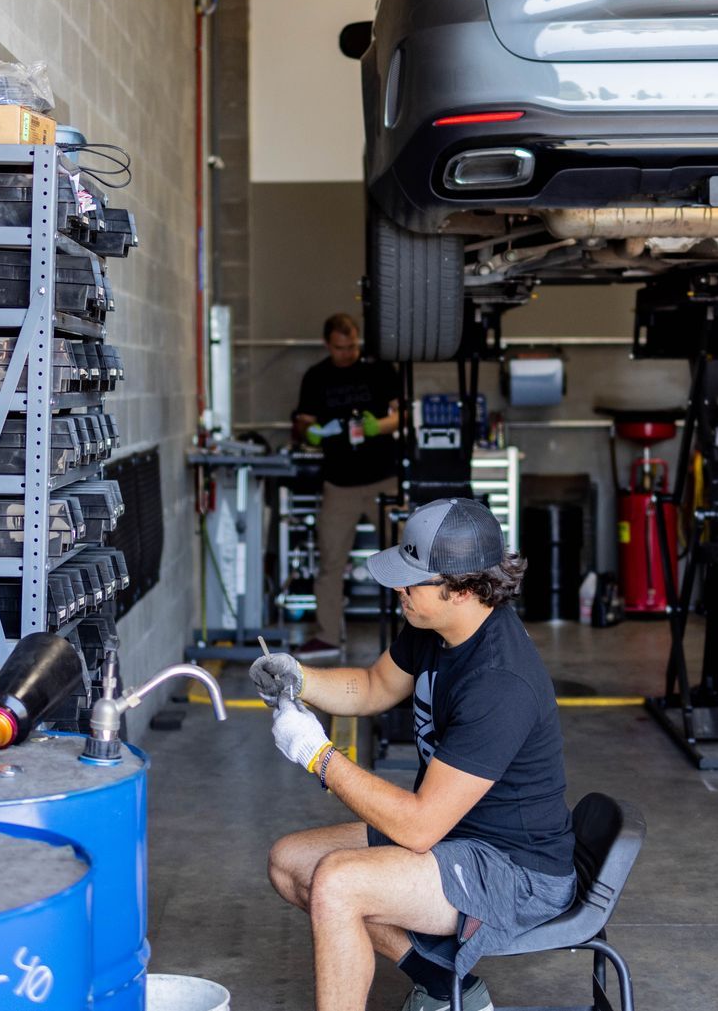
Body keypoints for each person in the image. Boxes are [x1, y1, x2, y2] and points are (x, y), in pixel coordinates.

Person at [252, 499, 576, 1011]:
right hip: (460, 832)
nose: (398, 588)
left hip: (515, 870)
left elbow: (419, 827)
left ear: (464, 589)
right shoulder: (437, 629)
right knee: (291, 863)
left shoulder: (500, 682)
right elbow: (373, 685)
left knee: (338, 883)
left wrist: (318, 754)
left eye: (413, 580)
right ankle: (452, 990)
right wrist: (302, 678)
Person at [291, 313, 401, 659]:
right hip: (339, 483)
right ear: (328, 344)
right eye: (340, 348)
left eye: (352, 345)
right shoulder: (317, 376)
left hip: (384, 477)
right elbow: (303, 420)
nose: (347, 353)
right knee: (331, 562)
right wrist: (310, 431)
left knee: (408, 555)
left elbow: (402, 414)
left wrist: (378, 427)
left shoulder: (380, 370)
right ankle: (326, 635)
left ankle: (422, 630)